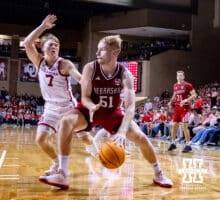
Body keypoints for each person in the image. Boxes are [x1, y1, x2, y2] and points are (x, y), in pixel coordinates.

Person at [39, 35, 173, 189]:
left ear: (115, 52)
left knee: (141, 138)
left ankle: (158, 173)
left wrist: (122, 132)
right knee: (66, 121)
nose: (97, 53)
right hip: (89, 111)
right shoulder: (90, 68)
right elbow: (85, 97)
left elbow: (130, 107)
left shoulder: (125, 74)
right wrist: (91, 106)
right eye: (97, 50)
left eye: (102, 50)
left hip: (112, 114)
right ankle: (62, 173)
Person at [23, 15, 95, 176]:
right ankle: (57, 163)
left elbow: (79, 78)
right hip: (50, 108)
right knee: (40, 139)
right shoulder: (39, 61)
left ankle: (96, 152)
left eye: (57, 45)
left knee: (84, 138)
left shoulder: (64, 64)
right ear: (42, 48)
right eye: (51, 44)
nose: (54, 46)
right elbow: (27, 43)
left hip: (69, 108)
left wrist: (90, 85)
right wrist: (43, 26)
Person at [167, 71, 196, 153]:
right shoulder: (175, 85)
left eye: (181, 75)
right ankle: (173, 143)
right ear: (176, 77)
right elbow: (174, 95)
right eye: (178, 75)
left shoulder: (188, 85)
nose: (179, 77)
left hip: (185, 108)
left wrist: (186, 100)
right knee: (174, 125)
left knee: (184, 126)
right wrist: (170, 101)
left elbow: (194, 95)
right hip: (177, 107)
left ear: (183, 77)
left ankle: (188, 144)